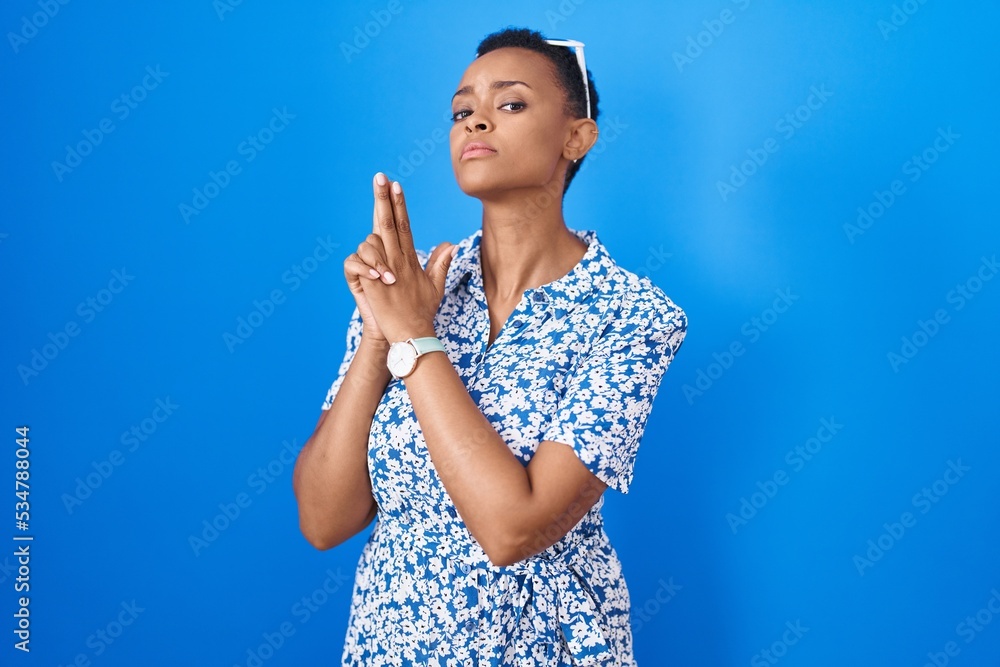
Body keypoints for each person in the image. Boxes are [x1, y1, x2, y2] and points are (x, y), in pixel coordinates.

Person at [292, 26, 688, 666]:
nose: (475, 120)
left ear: (576, 136)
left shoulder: (632, 315)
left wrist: (416, 341)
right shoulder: (412, 289)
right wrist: (378, 334)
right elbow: (324, 520)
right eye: (460, 110)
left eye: (509, 104)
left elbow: (513, 529)